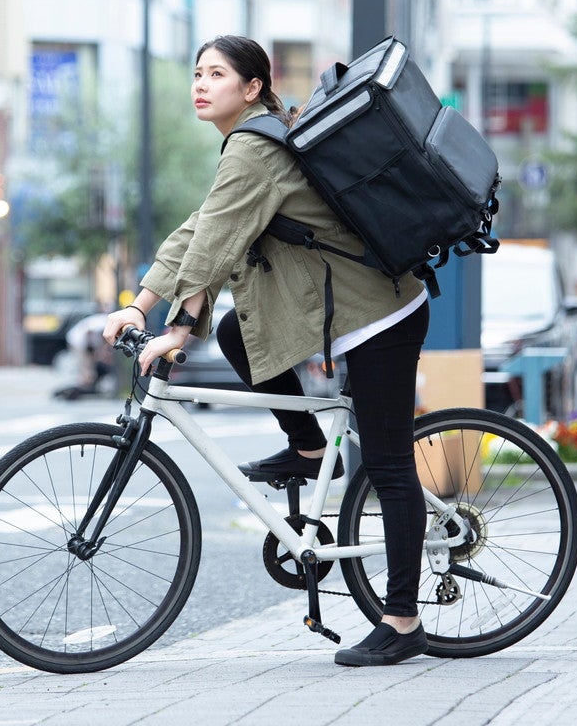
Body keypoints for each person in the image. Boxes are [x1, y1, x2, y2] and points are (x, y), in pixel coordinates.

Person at [101, 35, 432, 668]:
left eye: (216, 74)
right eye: (197, 73)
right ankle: (309, 448)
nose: (201, 85)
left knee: (388, 465)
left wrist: (177, 328)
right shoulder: (249, 143)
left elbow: (215, 243)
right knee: (237, 334)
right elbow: (199, 230)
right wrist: (140, 306)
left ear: (252, 88)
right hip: (343, 310)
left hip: (378, 316)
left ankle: (403, 621)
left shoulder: (254, 148)